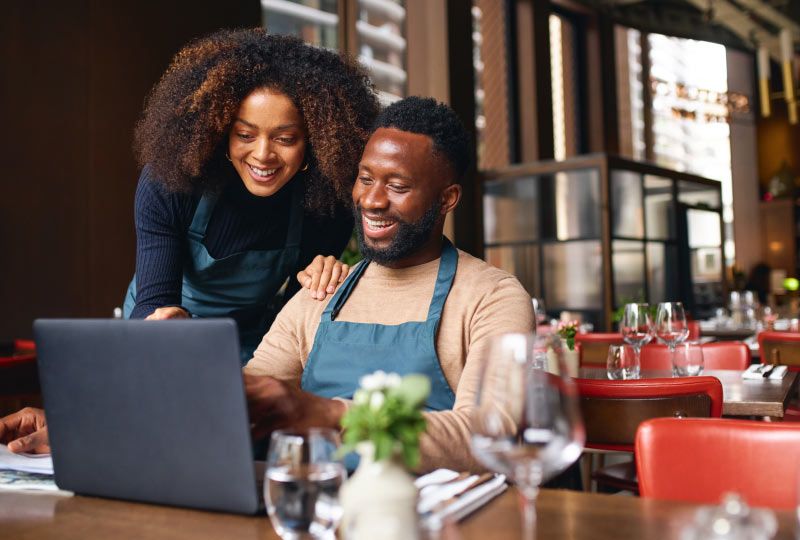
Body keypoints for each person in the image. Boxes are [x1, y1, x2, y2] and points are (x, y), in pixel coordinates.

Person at [1, 97, 534, 473]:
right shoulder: (321, 292)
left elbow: (489, 434)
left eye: (397, 186)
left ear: (448, 199)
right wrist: (82, 424)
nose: (371, 201)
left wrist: (325, 414)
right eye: (366, 179)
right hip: (311, 509)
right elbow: (228, 403)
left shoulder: (491, 296)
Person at [123, 29, 379, 361]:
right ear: (221, 132)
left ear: (315, 142)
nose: (262, 155)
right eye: (245, 134)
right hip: (162, 332)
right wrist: (164, 322)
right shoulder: (171, 182)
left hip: (249, 342)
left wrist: (321, 284)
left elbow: (294, 324)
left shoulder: (326, 205)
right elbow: (153, 301)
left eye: (285, 139)